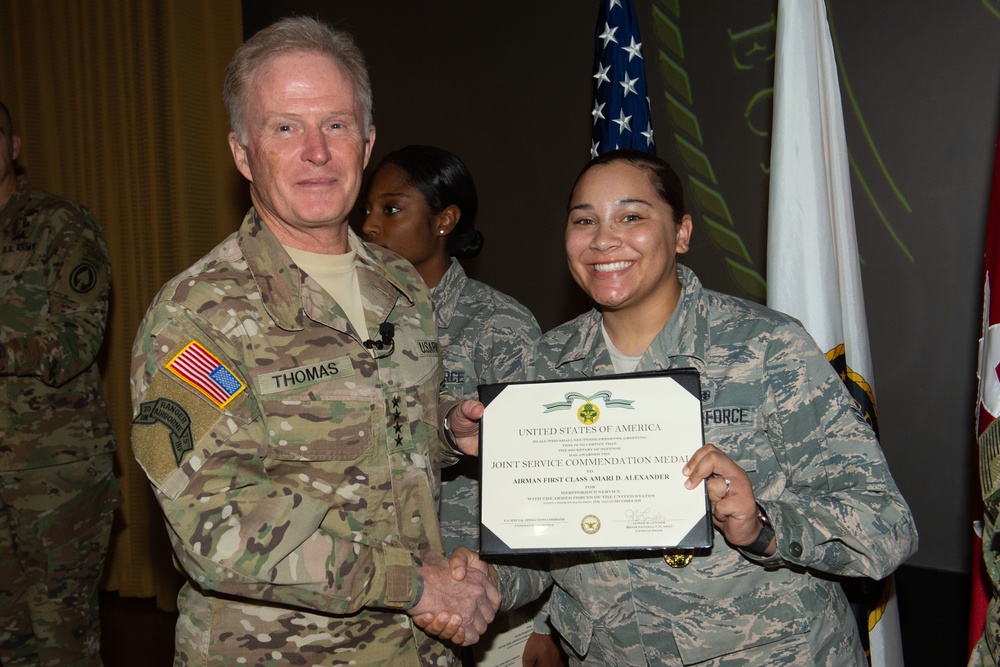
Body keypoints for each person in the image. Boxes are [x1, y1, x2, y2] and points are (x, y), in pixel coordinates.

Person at [429, 149, 919, 665]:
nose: (602, 239)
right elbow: (545, 545)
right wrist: (486, 582)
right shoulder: (544, 366)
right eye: (584, 220)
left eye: (631, 216)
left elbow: (885, 526)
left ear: (682, 233)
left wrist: (763, 527)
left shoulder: (766, 348)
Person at [128, 17, 497, 666]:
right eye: (285, 127)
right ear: (243, 153)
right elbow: (211, 528)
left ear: (367, 140)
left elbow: (371, 431)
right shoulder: (197, 317)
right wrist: (412, 584)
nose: (317, 151)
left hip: (416, 648)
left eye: (336, 124)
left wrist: (444, 430)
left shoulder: (400, 285)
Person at [362, 145, 563, 666]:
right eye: (365, 210)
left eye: (390, 209)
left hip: (487, 601)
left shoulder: (498, 325)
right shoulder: (355, 323)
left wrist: (545, 621)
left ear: (444, 220)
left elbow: (549, 475)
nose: (369, 226)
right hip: (386, 598)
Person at [0, 100, 121, 665]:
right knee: (11, 640)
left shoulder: (59, 224)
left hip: (54, 472)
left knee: (61, 641)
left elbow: (76, 341)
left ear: (14, 146)